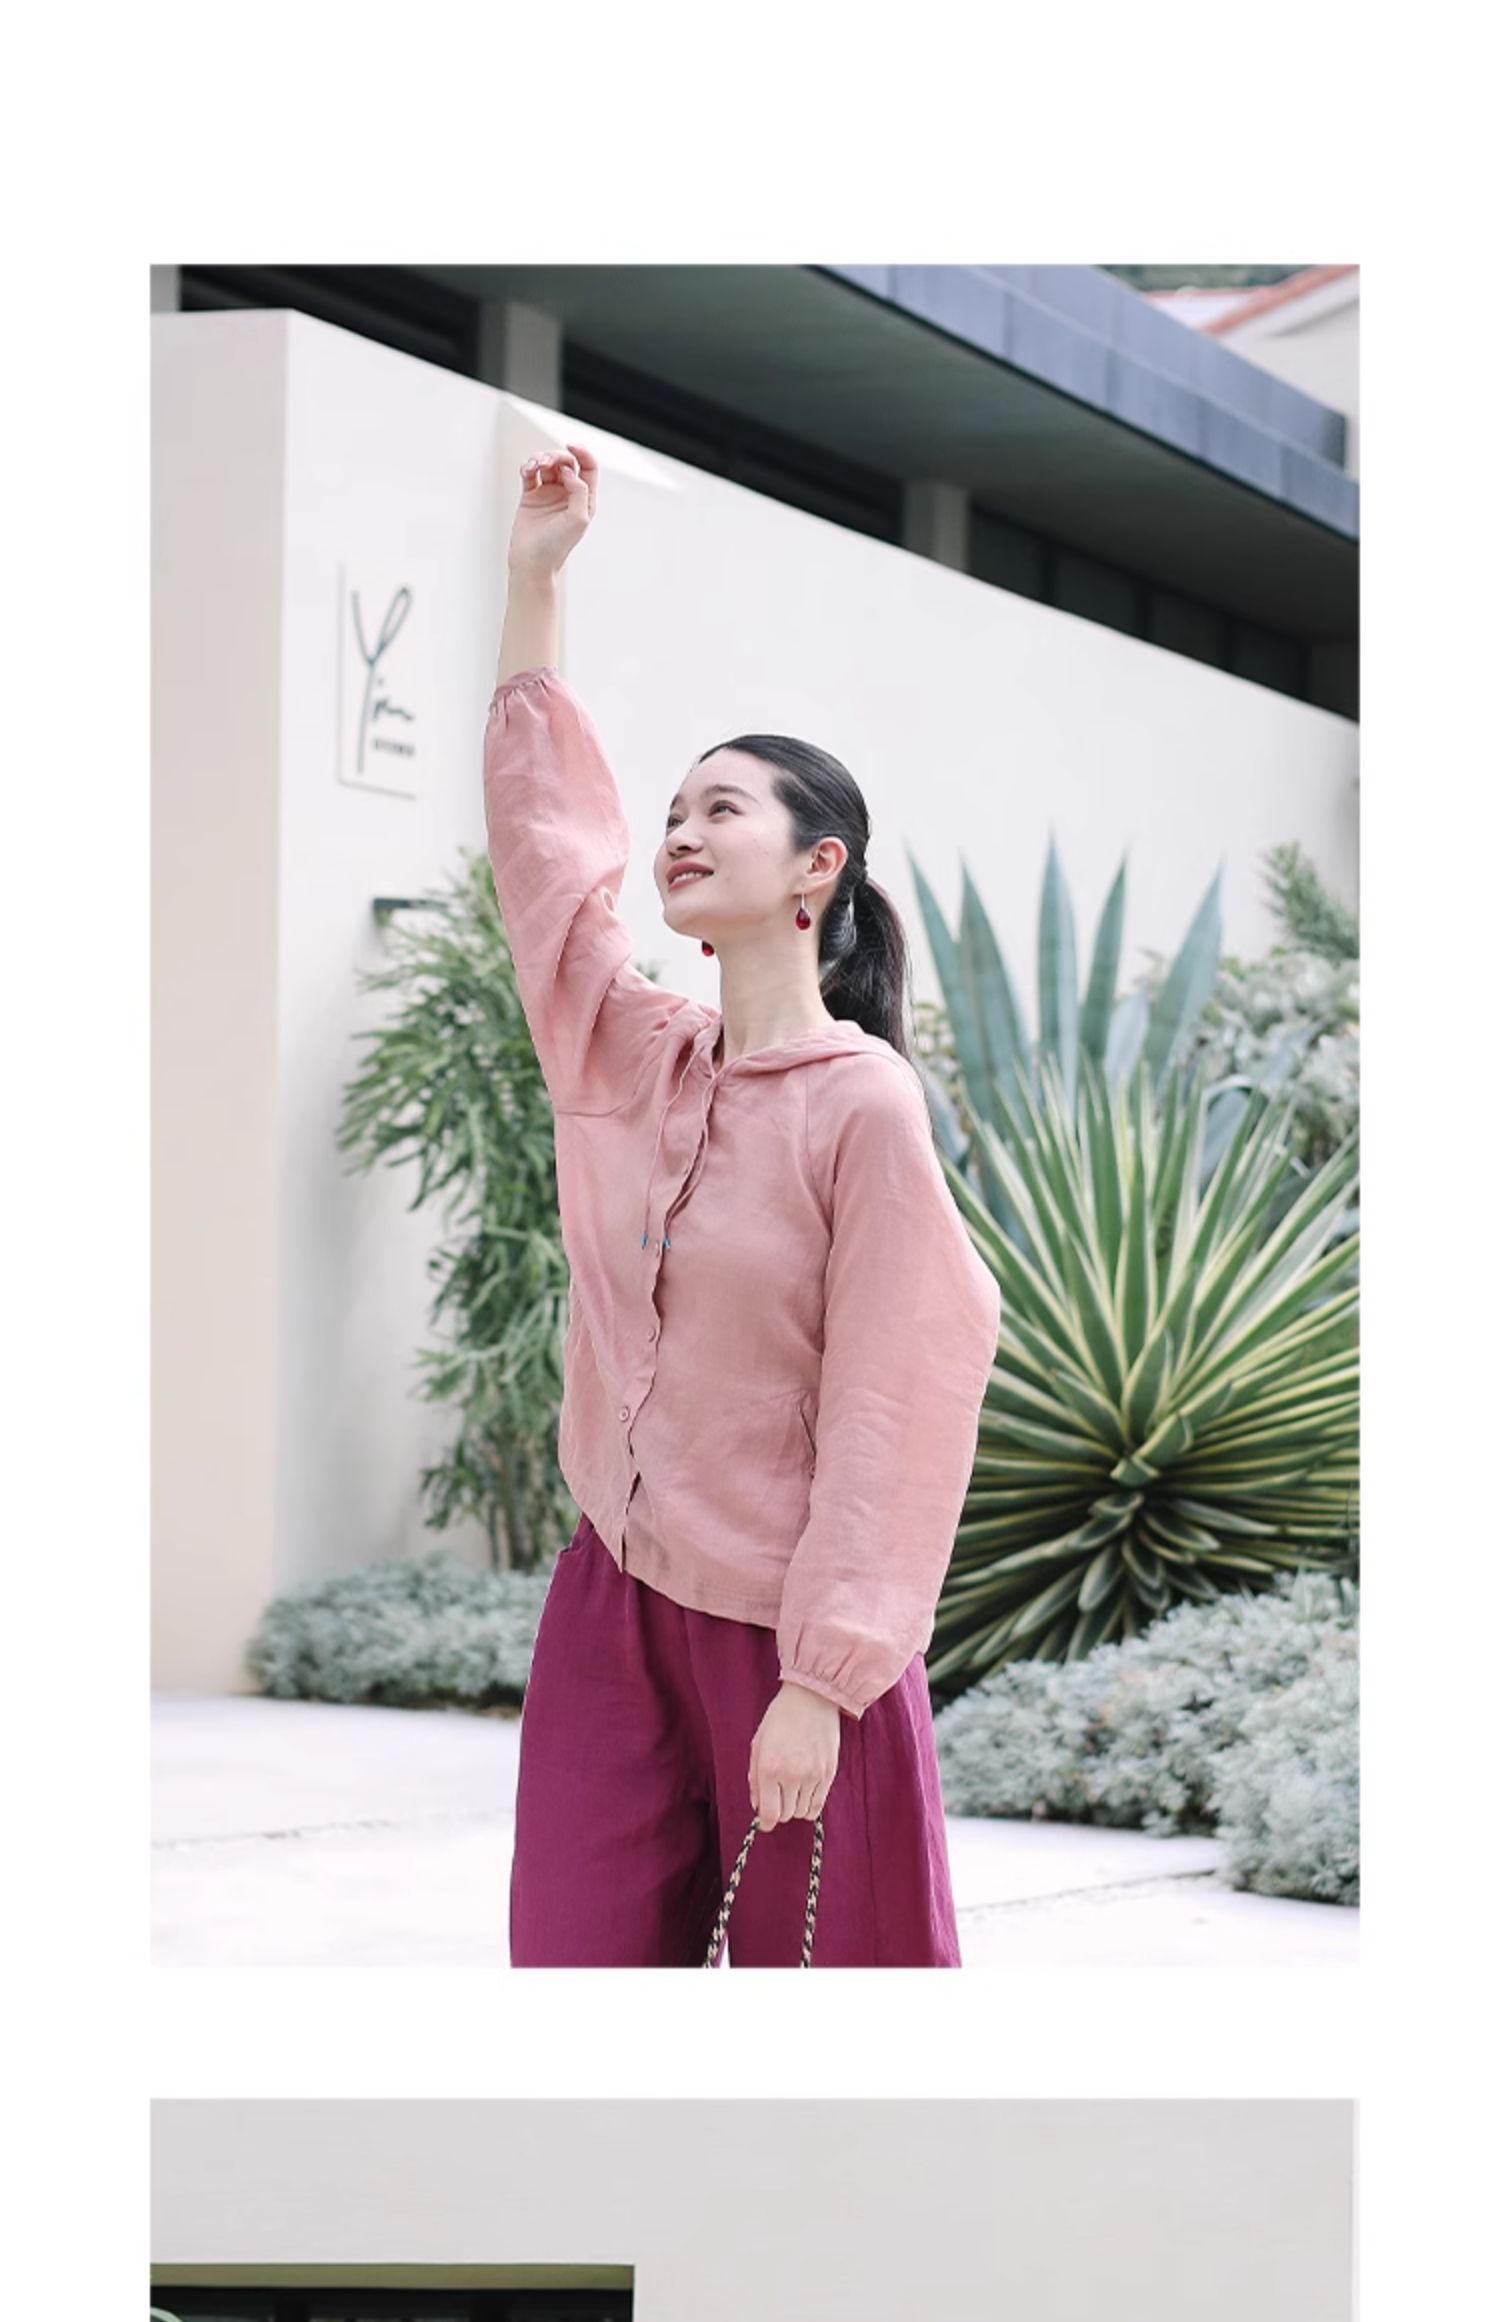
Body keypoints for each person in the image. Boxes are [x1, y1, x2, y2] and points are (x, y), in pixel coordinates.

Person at [485, 441, 1001, 1966]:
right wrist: (533, 583)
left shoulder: (862, 1105)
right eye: (671, 813)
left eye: (722, 808)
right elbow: (546, 865)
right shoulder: (631, 1052)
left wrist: (822, 1680)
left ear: (813, 868)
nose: (679, 833)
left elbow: (895, 1404)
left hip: (793, 1641)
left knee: (830, 2032)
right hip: (613, 1599)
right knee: (574, 1980)